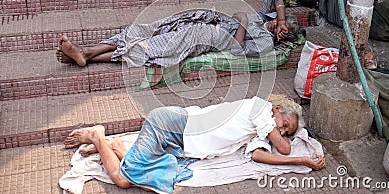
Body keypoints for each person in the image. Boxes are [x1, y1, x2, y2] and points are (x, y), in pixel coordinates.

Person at [63, 96, 326, 193]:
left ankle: (116, 146)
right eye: (284, 124)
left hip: (179, 143)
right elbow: (284, 147)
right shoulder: (260, 108)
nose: (280, 131)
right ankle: (98, 136)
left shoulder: (260, 132)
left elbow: (259, 156)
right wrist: (297, 155)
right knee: (123, 179)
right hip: (171, 124)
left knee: (159, 177)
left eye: (286, 131)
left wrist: (300, 161)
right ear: (277, 109)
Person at [56, 9, 293, 69]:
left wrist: (241, 21)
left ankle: (86, 54)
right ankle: (86, 54)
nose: (279, 27)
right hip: (201, 18)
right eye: (281, 22)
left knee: (152, 48)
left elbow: (237, 51)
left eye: (284, 30)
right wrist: (281, 19)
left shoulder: (266, 42)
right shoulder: (265, 17)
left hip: (207, 36)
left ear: (283, 37)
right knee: (146, 29)